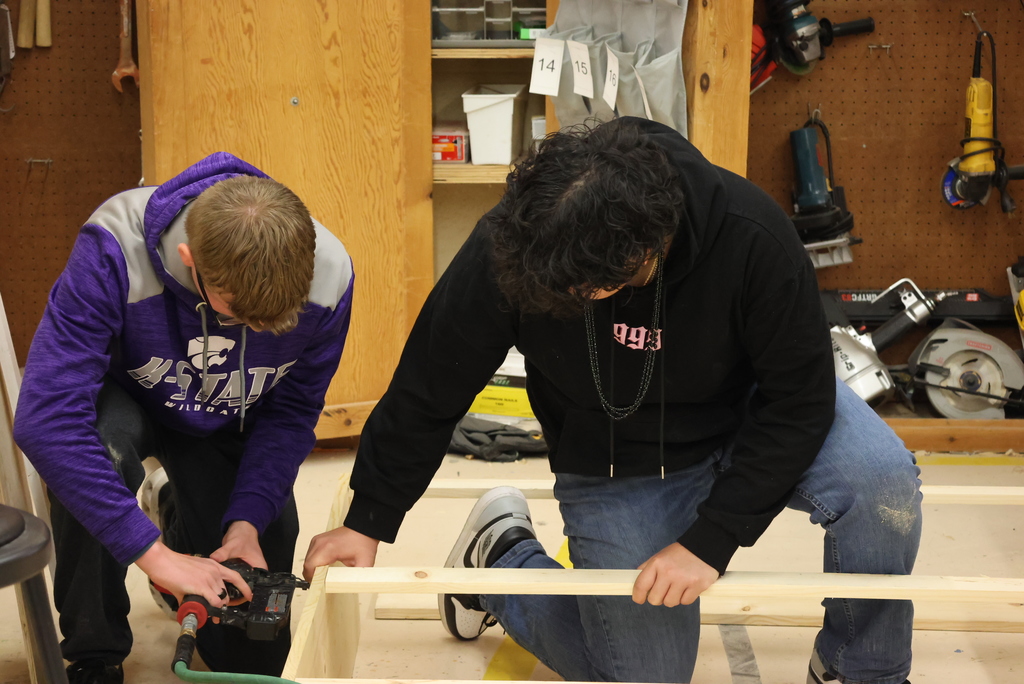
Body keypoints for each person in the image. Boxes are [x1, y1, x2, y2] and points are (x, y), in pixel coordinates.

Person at [303, 117, 921, 684]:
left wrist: (712, 539)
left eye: (585, 289)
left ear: (647, 248)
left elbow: (800, 401)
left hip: (751, 408)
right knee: (643, 675)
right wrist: (370, 518)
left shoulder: (750, 233)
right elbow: (431, 382)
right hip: (613, 445)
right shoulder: (518, 240)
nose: (570, 297)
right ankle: (502, 557)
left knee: (882, 481)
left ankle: (856, 667)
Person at [14, 153, 354, 684]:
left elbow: (292, 411)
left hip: (229, 413)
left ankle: (174, 506)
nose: (255, 332)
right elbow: (46, 420)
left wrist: (246, 524)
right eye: (237, 314)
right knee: (94, 456)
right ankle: (95, 653)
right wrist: (151, 556)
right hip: (125, 398)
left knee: (252, 655)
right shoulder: (113, 245)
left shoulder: (330, 275)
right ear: (188, 258)